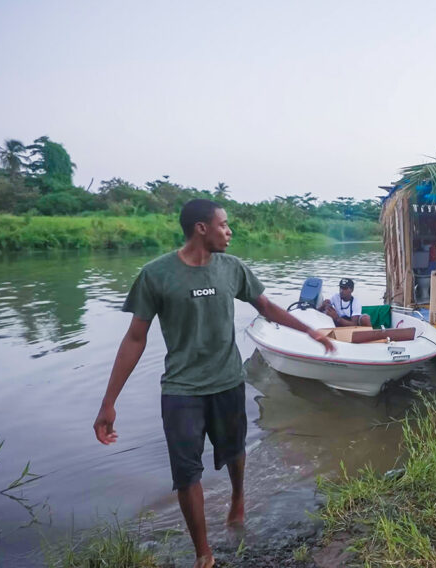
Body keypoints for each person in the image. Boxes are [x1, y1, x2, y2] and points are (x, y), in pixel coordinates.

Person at [92, 199, 336, 568]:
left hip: (227, 382)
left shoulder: (232, 268)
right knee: (186, 471)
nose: (230, 230)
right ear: (201, 229)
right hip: (181, 390)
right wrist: (109, 401)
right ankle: (203, 554)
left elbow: (266, 307)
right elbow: (134, 339)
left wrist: (310, 330)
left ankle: (238, 497)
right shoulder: (156, 274)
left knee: (235, 451)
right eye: (223, 225)